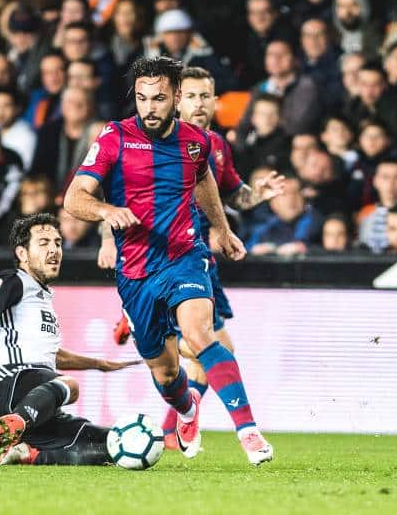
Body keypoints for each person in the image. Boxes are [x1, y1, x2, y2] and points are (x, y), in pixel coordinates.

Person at [63, 56, 273, 465]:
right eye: (142, 99)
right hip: (136, 272)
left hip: (185, 257)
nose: (150, 108)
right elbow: (75, 198)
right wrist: (107, 213)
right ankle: (186, 410)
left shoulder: (195, 141)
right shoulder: (114, 138)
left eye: (159, 99)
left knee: (201, 334)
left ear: (175, 97)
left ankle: (248, 430)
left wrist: (223, 230)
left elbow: (205, 182)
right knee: (165, 371)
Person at [0, 213, 138, 466]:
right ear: (22, 253)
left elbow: (51, 356)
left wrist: (100, 364)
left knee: (114, 445)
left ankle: (28, 453)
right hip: (7, 385)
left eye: (57, 242)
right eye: (43, 243)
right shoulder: (13, 280)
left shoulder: (41, 297)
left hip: (37, 401)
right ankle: (16, 423)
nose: (54, 249)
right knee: (71, 387)